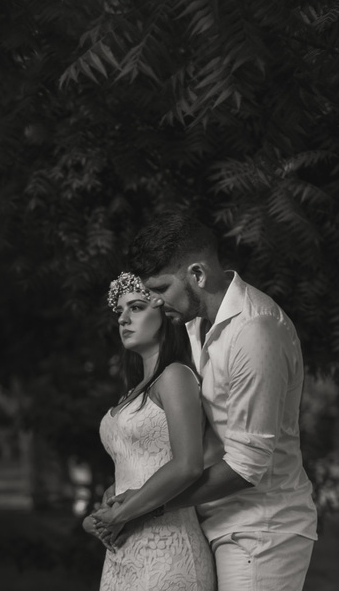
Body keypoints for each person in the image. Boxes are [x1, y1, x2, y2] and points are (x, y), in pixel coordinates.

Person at [123, 211, 318, 591]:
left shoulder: (256, 332)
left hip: (262, 531)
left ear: (197, 275)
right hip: (213, 522)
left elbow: (248, 465)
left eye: (162, 288)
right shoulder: (196, 322)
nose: (157, 303)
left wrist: (150, 505)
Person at [82, 271, 216, 591]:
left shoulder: (175, 376)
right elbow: (139, 464)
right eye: (120, 311)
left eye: (137, 308)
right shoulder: (134, 390)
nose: (123, 319)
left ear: (165, 313)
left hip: (167, 550)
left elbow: (188, 465)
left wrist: (118, 515)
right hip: (123, 550)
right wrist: (109, 504)